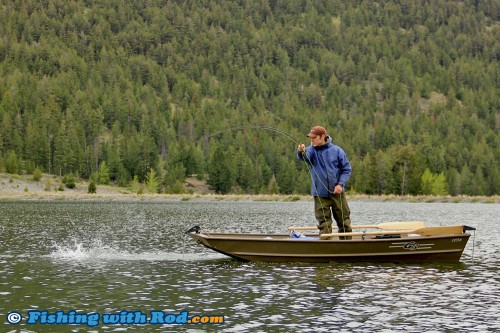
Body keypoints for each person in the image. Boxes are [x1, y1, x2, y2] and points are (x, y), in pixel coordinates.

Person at [297, 126, 353, 239]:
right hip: (320, 195)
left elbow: (347, 169)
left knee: (344, 222)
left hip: (338, 194)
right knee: (324, 225)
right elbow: (305, 157)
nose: (311, 140)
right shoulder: (311, 150)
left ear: (322, 137)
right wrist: (301, 151)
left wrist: (340, 184)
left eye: (314, 138)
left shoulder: (337, 151)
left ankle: (347, 246)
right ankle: (326, 248)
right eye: (310, 138)